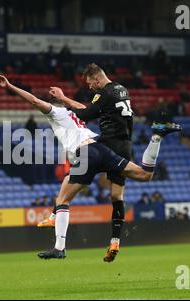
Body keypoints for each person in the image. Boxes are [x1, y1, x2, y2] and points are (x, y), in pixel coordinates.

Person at [0, 72, 181, 262]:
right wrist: (65, 97)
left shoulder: (57, 113)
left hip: (86, 154)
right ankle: (156, 138)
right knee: (144, 175)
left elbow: (34, 100)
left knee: (63, 200)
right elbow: (83, 107)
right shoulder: (78, 112)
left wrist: (10, 87)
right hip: (100, 148)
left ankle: (59, 245)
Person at [47, 63, 134, 260]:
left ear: (97, 79)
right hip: (126, 147)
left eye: (90, 83)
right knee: (116, 196)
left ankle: (55, 215)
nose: (90, 87)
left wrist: (62, 108)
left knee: (72, 177)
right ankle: (115, 241)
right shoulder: (122, 90)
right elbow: (100, 110)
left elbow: (86, 114)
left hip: (106, 145)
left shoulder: (104, 93)